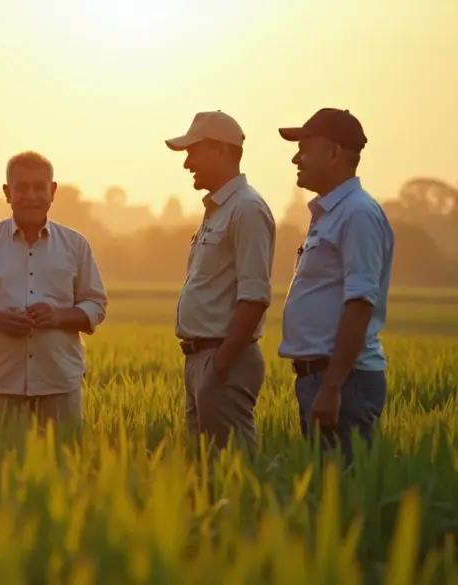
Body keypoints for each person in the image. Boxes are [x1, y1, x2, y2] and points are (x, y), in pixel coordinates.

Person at [0, 151, 108, 425]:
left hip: (59, 382)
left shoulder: (75, 244)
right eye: (21, 187)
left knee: (64, 463)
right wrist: (0, 321)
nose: (31, 195)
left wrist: (58, 316)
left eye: (39, 187)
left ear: (53, 191)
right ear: (7, 192)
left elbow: (96, 305)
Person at [277, 108, 395, 464]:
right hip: (322, 378)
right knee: (323, 495)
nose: (296, 157)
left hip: (344, 382)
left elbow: (359, 304)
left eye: (305, 147)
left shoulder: (357, 214)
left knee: (342, 499)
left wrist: (331, 387)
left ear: (333, 153)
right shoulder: (332, 214)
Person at [164, 110, 276, 454]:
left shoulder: (247, 209)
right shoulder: (218, 209)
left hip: (223, 361)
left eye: (192, 151)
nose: (187, 164)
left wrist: (222, 363)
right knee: (205, 475)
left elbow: (255, 295)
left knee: (234, 473)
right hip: (202, 359)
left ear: (221, 151)